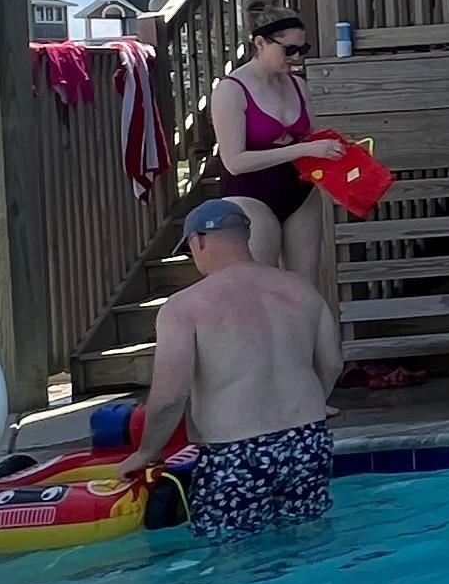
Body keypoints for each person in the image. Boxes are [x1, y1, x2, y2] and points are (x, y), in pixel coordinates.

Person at [123, 200, 343, 534]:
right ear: (247, 234)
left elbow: (169, 397)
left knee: (234, 563)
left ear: (198, 241)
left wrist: (146, 452)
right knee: (307, 544)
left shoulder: (184, 307)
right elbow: (332, 363)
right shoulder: (301, 290)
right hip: (307, 442)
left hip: (236, 453)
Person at [204, 9, 343, 306]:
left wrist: (340, 151)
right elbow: (234, 162)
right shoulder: (231, 90)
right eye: (289, 49)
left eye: (302, 49)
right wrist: (303, 150)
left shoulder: (297, 85)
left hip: (299, 191)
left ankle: (309, 353)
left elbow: (311, 139)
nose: (296, 57)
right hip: (251, 193)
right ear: (261, 43)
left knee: (305, 291)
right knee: (261, 292)